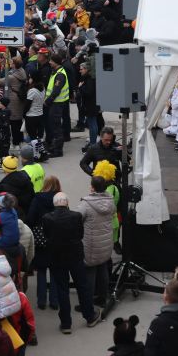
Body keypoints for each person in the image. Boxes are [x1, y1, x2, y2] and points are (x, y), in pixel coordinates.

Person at [42, 192, 101, 333]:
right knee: (82, 286)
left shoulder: (47, 218)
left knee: (62, 289)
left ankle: (66, 324)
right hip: (75, 256)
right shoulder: (76, 216)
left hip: (56, 258)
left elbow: (46, 236)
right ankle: (89, 316)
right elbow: (80, 235)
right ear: (67, 203)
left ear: (54, 204)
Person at [77, 176, 115, 308]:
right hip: (106, 242)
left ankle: (87, 304)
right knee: (103, 268)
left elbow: (77, 219)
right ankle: (102, 298)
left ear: (92, 187)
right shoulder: (110, 201)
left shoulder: (86, 204)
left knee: (90, 273)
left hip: (91, 244)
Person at [27, 175, 62, 310]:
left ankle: (41, 300)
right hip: (56, 237)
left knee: (41, 270)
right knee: (54, 270)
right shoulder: (60, 198)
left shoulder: (38, 198)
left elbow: (30, 217)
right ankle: (54, 300)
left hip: (40, 237)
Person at [44, 53, 70, 157]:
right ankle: (54, 147)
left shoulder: (60, 75)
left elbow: (56, 91)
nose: (49, 62)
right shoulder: (56, 72)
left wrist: (47, 101)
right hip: (56, 104)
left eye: (51, 61)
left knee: (56, 128)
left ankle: (58, 151)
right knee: (54, 126)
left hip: (57, 104)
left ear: (56, 62)